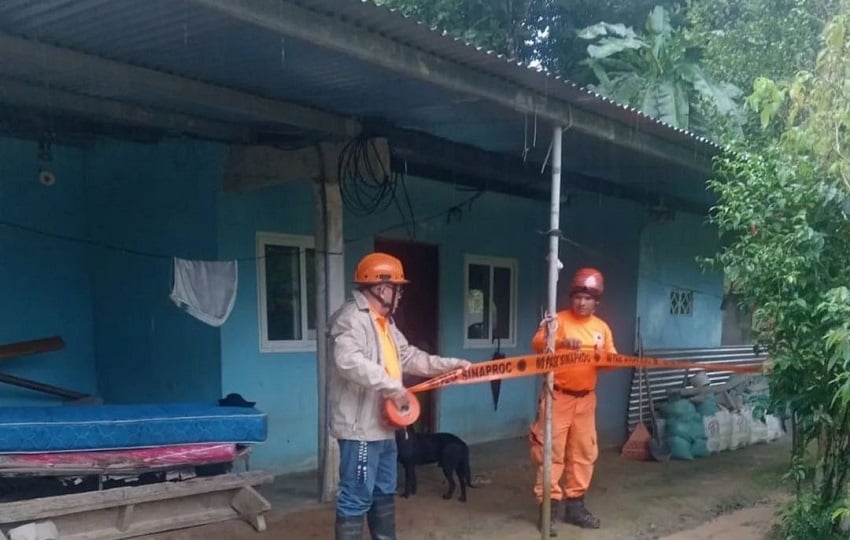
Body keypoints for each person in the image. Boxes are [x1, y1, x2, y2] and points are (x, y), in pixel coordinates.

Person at [328, 252, 471, 540]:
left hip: (386, 428)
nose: (400, 295)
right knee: (356, 497)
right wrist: (393, 387)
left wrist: (449, 365)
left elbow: (407, 356)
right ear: (382, 289)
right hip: (361, 432)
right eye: (398, 288)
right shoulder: (351, 319)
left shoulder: (385, 322)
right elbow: (348, 361)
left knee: (384, 492)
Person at [528, 267, 616, 536]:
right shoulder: (558, 320)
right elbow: (537, 343)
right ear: (571, 298)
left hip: (586, 400)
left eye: (588, 298)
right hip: (558, 397)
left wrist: (602, 356)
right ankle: (548, 510)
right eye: (578, 297)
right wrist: (563, 342)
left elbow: (612, 361)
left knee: (584, 454)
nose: (582, 302)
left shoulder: (602, 328)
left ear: (596, 302)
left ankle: (575, 506)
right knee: (550, 453)